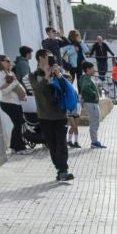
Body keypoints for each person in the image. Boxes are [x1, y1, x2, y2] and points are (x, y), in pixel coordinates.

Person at [28, 50, 75, 182]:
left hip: (60, 115)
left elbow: (66, 88)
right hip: (44, 116)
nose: (49, 60)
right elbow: (37, 90)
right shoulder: (33, 75)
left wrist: (58, 75)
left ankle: (63, 170)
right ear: (39, 59)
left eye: (50, 57)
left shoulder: (58, 73)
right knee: (52, 144)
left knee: (62, 143)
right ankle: (59, 169)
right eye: (46, 57)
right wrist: (46, 77)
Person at [0, 54, 29, 153]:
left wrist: (22, 95)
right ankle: (19, 148)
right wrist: (14, 83)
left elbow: (17, 86)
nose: (10, 63)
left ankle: (14, 146)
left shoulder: (9, 72)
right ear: (1, 62)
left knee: (18, 123)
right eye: (7, 61)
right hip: (8, 103)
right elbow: (5, 91)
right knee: (18, 123)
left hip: (16, 102)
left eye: (10, 61)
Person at [77, 65, 106, 148]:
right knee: (94, 122)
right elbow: (85, 88)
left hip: (91, 103)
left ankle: (95, 141)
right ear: (88, 69)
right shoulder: (86, 79)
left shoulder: (87, 78)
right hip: (90, 103)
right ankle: (94, 142)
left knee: (95, 121)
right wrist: (94, 94)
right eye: (92, 68)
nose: (94, 70)